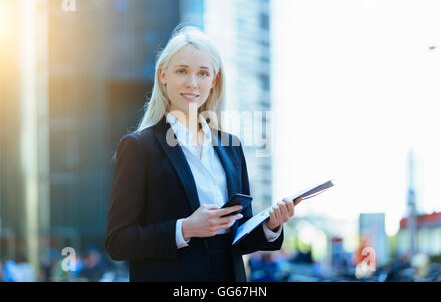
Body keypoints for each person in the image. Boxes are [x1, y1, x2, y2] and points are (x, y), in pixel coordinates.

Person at [105, 24, 302, 282]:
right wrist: (184, 228)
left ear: (214, 80)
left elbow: (239, 238)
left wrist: (271, 225)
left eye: (202, 73)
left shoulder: (231, 147)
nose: (192, 83)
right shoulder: (140, 147)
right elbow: (118, 241)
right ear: (163, 75)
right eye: (182, 71)